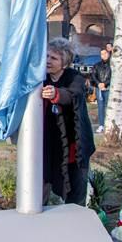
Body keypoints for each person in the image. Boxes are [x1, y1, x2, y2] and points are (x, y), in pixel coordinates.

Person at [41, 38, 95, 205]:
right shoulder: (41, 78)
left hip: (73, 144)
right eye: (47, 56)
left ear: (64, 63)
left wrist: (56, 94)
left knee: (76, 188)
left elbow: (73, 95)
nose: (48, 61)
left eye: (54, 58)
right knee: (42, 185)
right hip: (50, 145)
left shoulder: (75, 77)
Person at [92, 49, 111, 133]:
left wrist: (105, 83)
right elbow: (93, 75)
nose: (104, 55)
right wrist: (99, 84)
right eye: (102, 54)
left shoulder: (112, 65)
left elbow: (113, 76)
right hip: (99, 88)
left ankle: (109, 125)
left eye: (105, 53)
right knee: (100, 107)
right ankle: (101, 125)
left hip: (108, 88)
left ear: (109, 54)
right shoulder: (97, 65)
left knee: (109, 106)